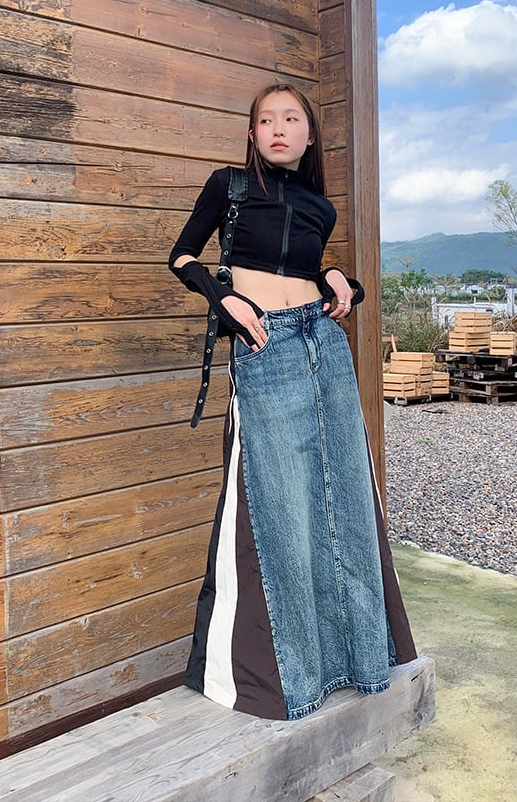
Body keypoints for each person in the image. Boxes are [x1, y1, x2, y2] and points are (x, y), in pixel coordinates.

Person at [168, 82, 417, 721]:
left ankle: (359, 658)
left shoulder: (319, 206)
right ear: (253, 134)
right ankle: (292, 678)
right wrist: (223, 297)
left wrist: (340, 278)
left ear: (309, 134)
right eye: (266, 120)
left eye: (291, 118)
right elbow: (182, 257)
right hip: (265, 346)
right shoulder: (227, 186)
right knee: (280, 501)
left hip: (322, 344)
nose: (278, 128)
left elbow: (311, 272)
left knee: (343, 492)